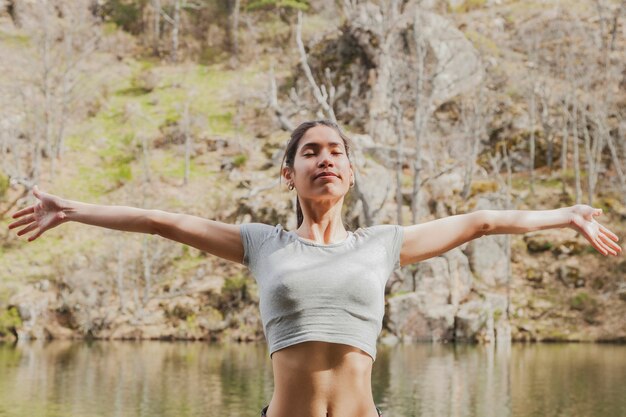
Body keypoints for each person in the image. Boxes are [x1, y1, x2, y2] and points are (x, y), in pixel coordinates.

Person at [8, 119, 622, 417]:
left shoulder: (383, 243)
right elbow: (160, 220)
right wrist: (73, 209)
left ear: (350, 171)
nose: (324, 159)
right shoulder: (259, 243)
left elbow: (481, 220)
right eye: (310, 152)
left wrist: (565, 214)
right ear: (289, 172)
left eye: (336, 152)